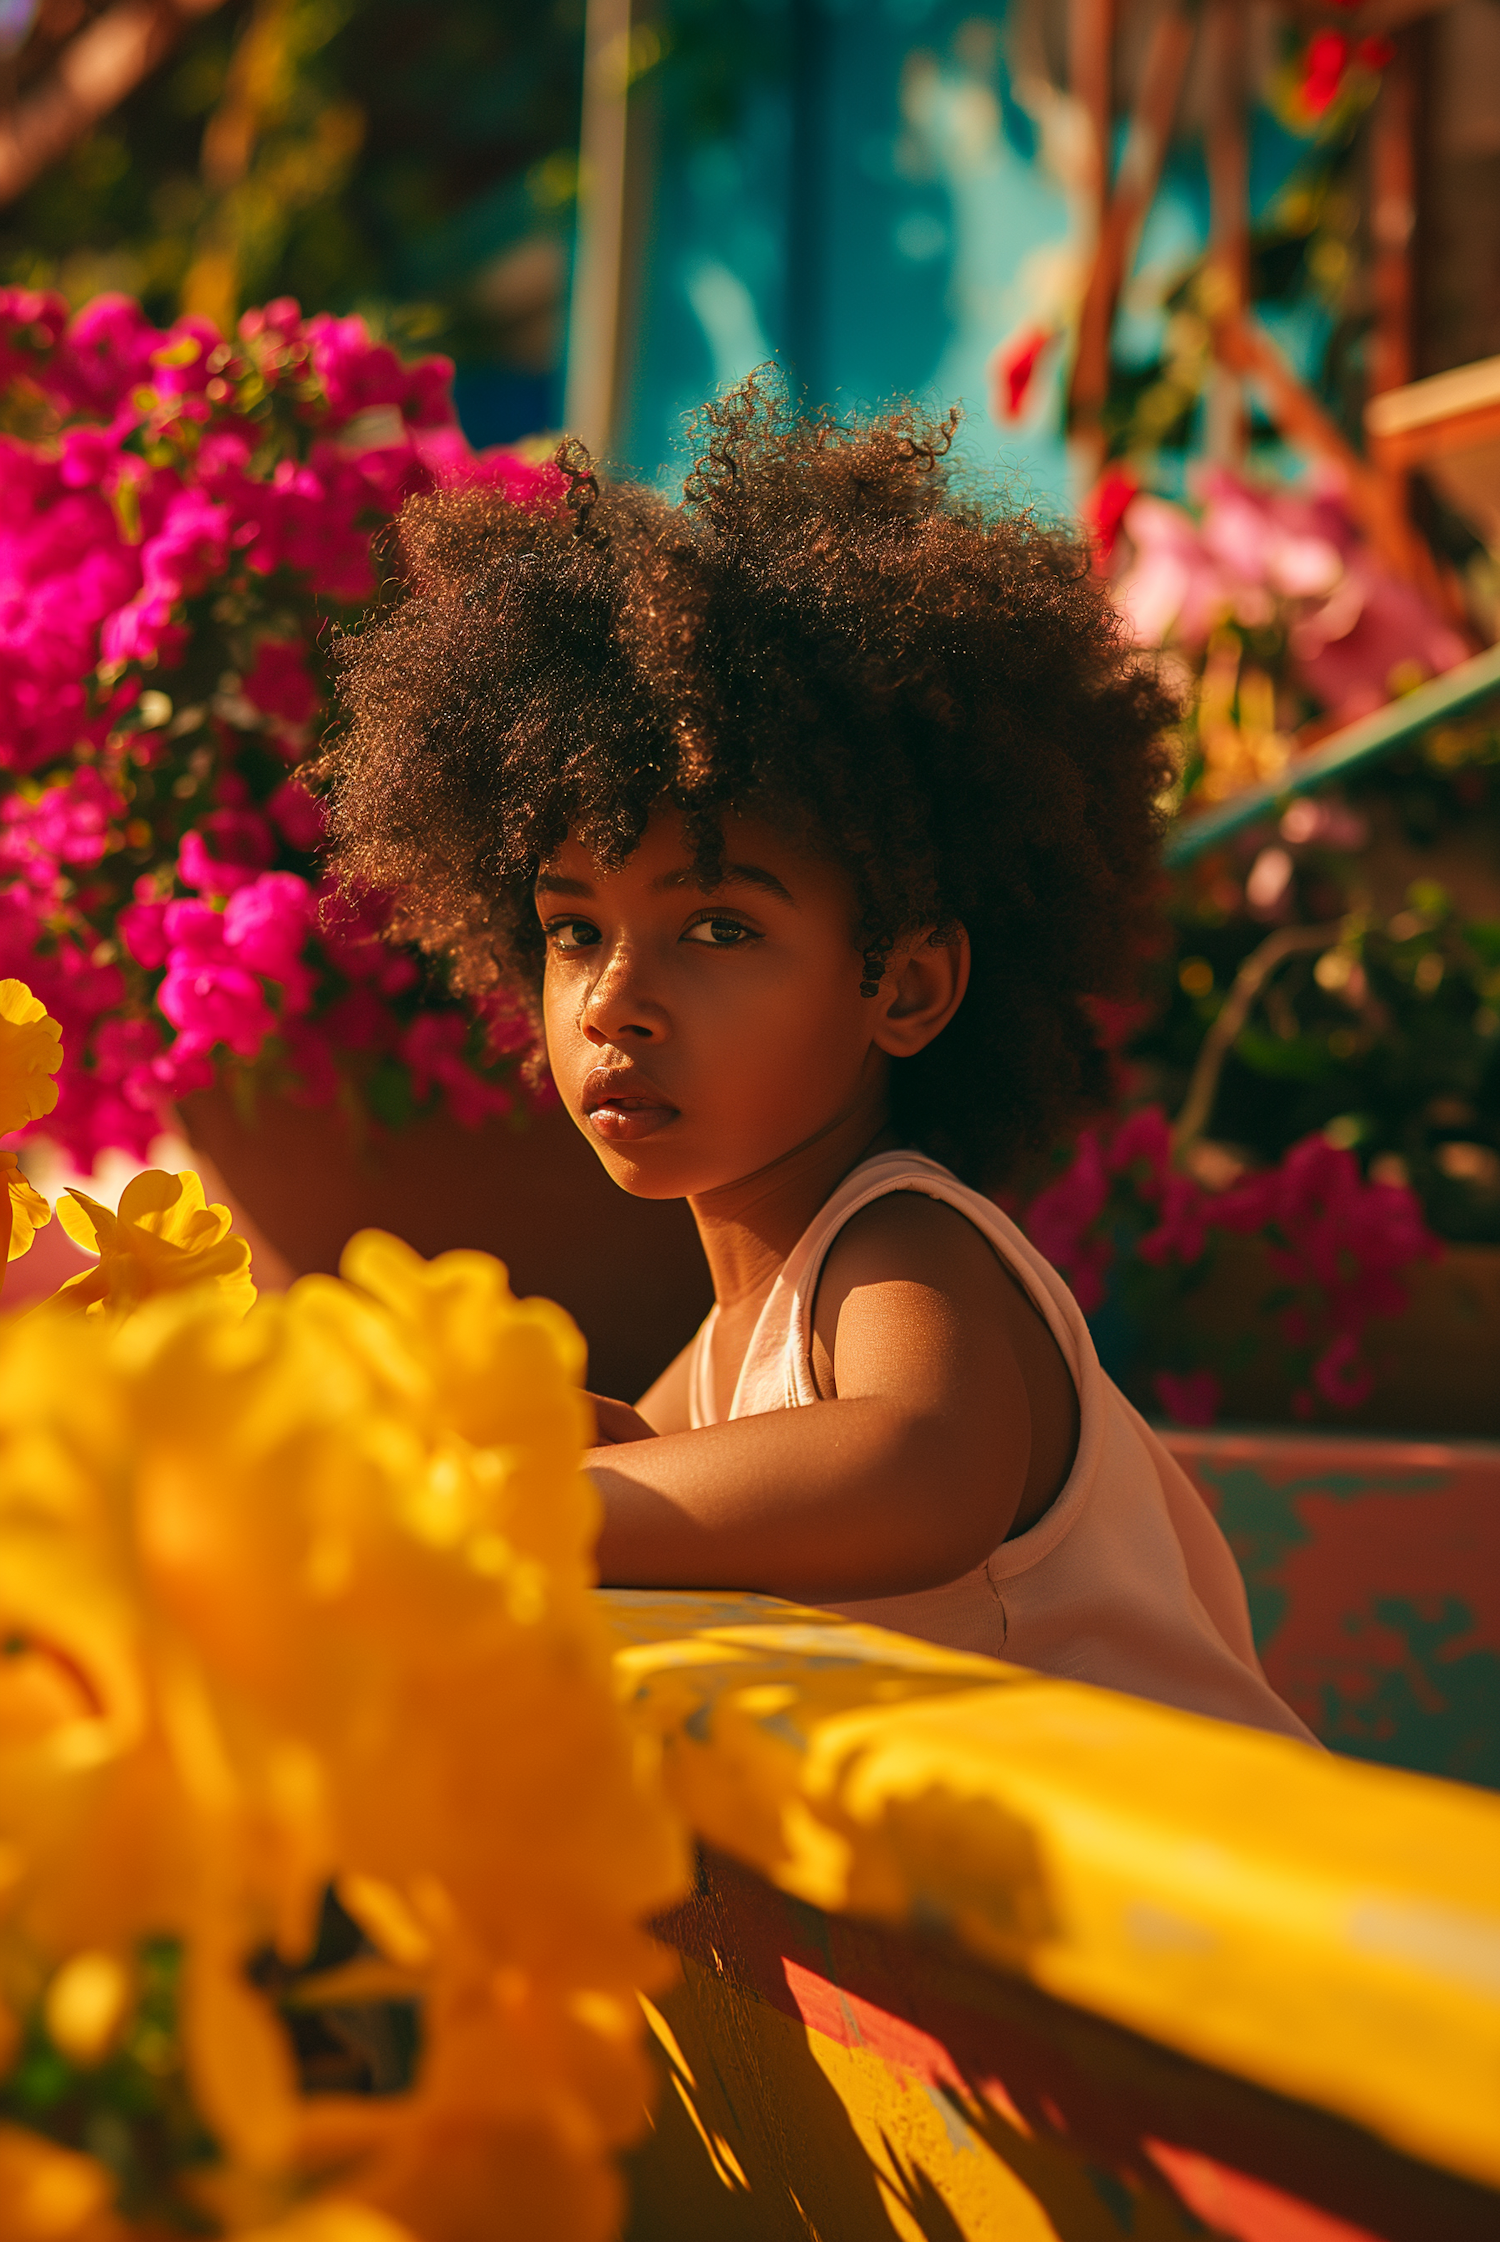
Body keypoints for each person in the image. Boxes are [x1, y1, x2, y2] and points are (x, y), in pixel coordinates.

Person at [323, 377, 1311, 1742]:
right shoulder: (741, 1332)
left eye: (718, 925)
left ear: (903, 986)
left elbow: (917, 1462)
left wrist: (502, 1510)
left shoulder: (903, 1244)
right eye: (571, 928)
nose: (616, 998)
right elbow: (661, 1464)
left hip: (1230, 1918)